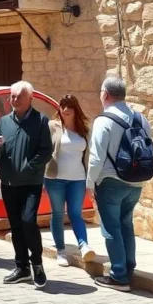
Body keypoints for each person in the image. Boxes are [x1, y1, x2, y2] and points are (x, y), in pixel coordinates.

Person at [87, 76, 150, 292]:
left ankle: (119, 276)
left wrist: (90, 184)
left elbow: (96, 158)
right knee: (126, 224)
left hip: (110, 182)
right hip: (136, 182)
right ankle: (128, 269)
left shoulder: (103, 121)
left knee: (111, 228)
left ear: (105, 94)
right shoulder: (141, 119)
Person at [0, 81, 53, 287]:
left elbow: (46, 151)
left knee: (28, 221)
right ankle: (22, 267)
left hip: (31, 183)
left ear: (30, 98)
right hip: (9, 181)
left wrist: (28, 168)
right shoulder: (5, 121)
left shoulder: (41, 121)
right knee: (16, 225)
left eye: (18, 96)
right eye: (12, 96)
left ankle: (37, 264)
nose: (14, 99)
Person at [45, 94, 95, 267]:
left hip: (78, 179)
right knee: (58, 214)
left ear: (76, 110)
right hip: (55, 179)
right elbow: (44, 149)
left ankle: (84, 246)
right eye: (63, 106)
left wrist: (91, 179)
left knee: (75, 213)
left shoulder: (84, 130)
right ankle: (61, 251)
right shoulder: (53, 126)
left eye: (69, 107)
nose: (65, 110)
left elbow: (89, 157)